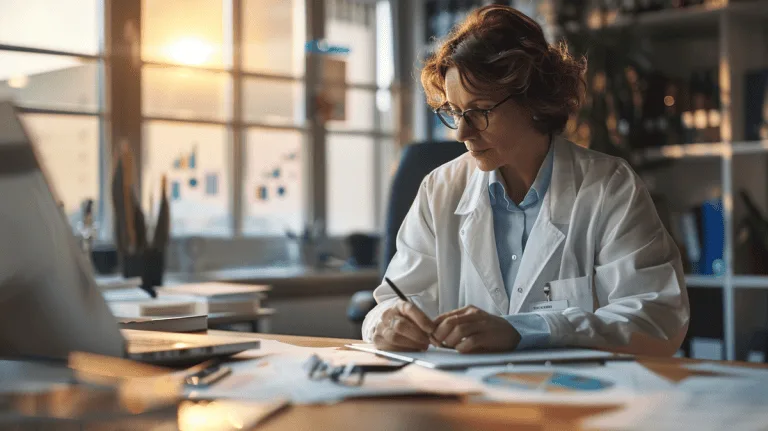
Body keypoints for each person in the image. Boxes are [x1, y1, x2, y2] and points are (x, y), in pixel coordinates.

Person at [362, 5, 689, 356]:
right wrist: (385, 322)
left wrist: (525, 330)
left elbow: (657, 317)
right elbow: (391, 302)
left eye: (480, 111)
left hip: (577, 401)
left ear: (533, 100)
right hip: (468, 400)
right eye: (455, 112)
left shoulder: (609, 186)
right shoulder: (439, 190)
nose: (461, 132)